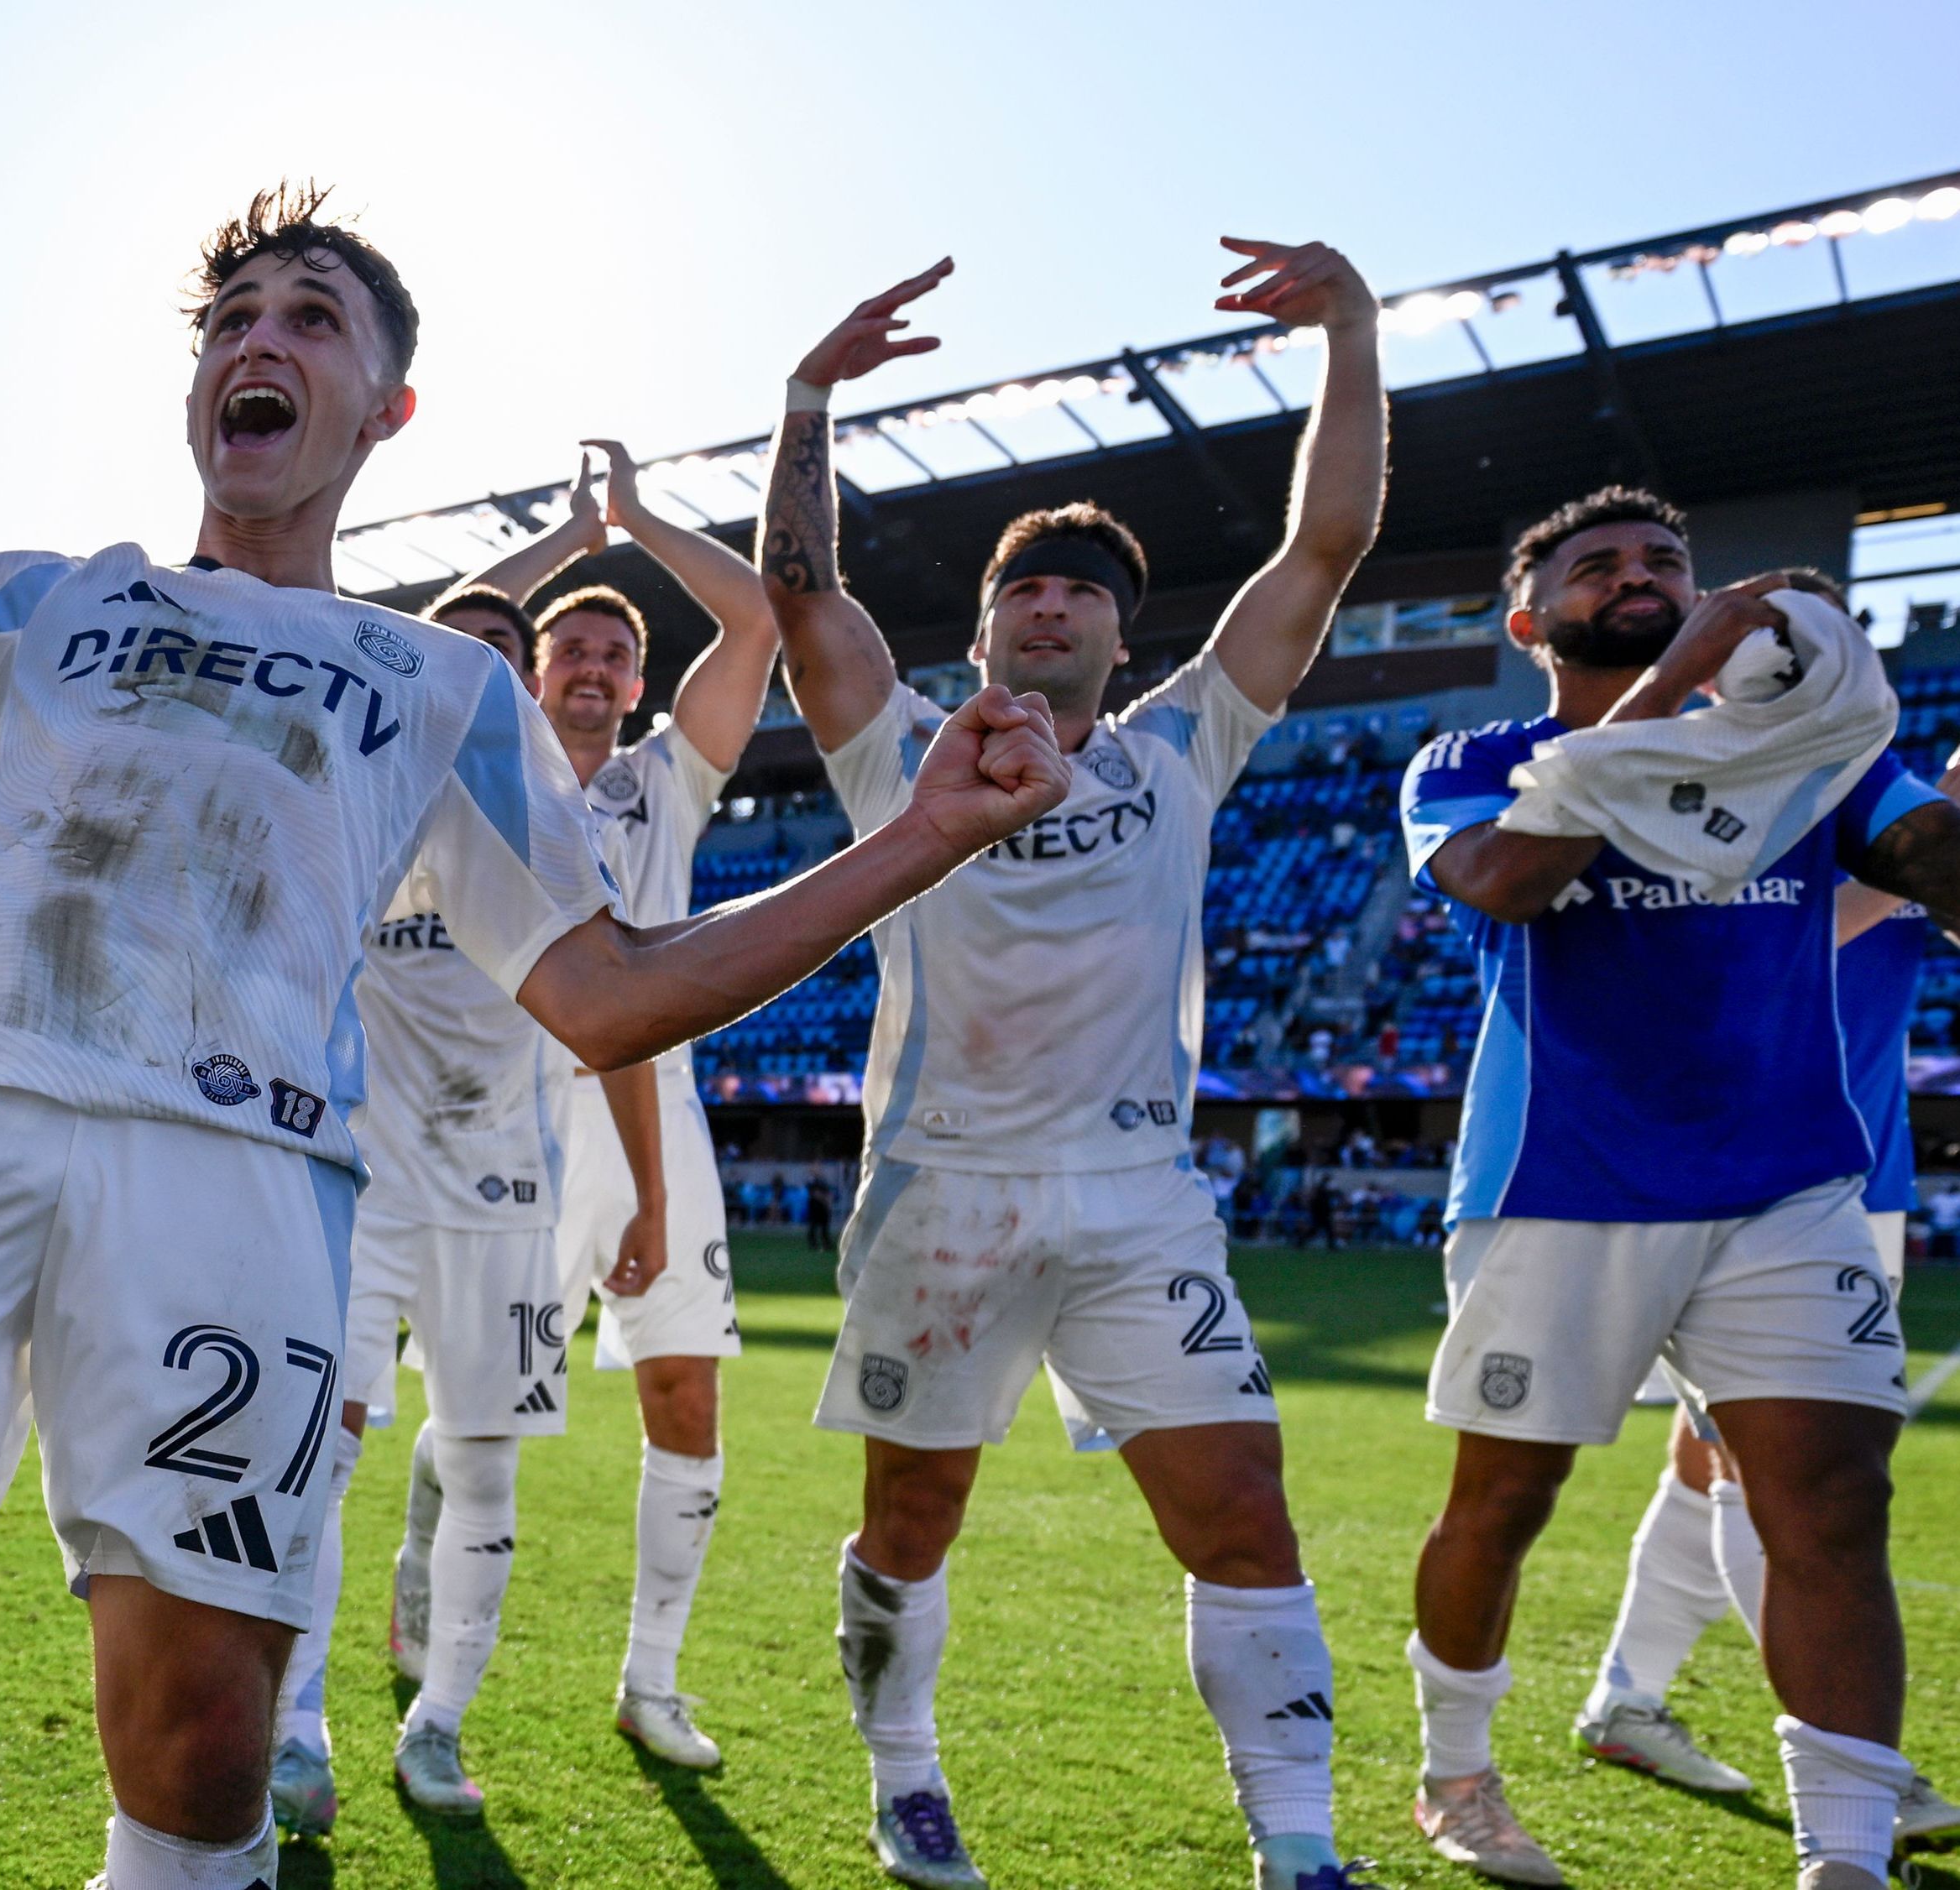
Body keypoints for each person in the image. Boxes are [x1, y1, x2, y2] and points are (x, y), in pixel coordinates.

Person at [0, 165, 1068, 1888]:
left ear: (387, 408)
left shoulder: (442, 687)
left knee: (199, 1743)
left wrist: (919, 835)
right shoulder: (54, 600)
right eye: (233, 320)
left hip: (236, 1170)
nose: (260, 341)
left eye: (311, 319)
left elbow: (609, 993)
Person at [767, 239, 1388, 1890]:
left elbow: (1322, 548)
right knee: (910, 1524)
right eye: (1022, 590)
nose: (1048, 603)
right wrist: (808, 394)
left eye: (1081, 590)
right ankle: (904, 1777)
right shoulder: (902, 751)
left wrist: (1349, 330)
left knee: (1239, 1508)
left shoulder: (1183, 744)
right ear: (984, 632)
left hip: (1136, 1199)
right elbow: (803, 598)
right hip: (941, 1194)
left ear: (1122, 636)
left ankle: (1298, 1843)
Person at [1397, 491, 1960, 1890]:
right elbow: (1508, 879)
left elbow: (1927, 863)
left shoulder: (1801, 755)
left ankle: (1844, 1857)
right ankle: (1455, 1777)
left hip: (1786, 1183)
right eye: (1596, 566)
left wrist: (1891, 763)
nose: (1639, 576)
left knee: (1829, 1498)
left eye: (1665, 562)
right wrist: (1672, 687)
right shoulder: (1473, 757)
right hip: (1559, 1182)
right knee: (1502, 1500)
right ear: (1527, 622)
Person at [265, 585, 672, 1830]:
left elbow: (623, 1026)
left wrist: (650, 1197)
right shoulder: (359, 809)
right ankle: (293, 1727)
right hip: (362, 1193)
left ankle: (437, 1723)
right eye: (461, 654)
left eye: (503, 657)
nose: (480, 674)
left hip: (505, 1204)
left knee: (486, 1470)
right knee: (317, 1457)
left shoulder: (563, 839)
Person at [438, 435, 785, 1770]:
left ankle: (653, 1681)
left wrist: (637, 522)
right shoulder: (489, 773)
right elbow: (440, 637)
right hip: (502, 1116)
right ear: (533, 674)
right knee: (480, 1409)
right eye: (568, 651)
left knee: (686, 1395)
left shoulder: (666, 782)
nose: (591, 667)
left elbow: (754, 621)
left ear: (640, 685)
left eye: (614, 656)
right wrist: (563, 548)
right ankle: (427, 1576)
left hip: (658, 1111)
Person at [1566, 723, 1960, 1852]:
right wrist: (1918, 851)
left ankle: (1626, 1699)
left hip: (1854, 1179)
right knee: (1776, 1471)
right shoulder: (1777, 802)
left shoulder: (1900, 811)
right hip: (1744, 1180)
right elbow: (1756, 940)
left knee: (1713, 1460)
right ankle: (1855, 1764)